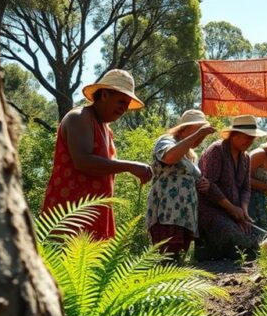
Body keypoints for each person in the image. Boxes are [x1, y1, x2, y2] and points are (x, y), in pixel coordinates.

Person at [43, 69, 153, 240]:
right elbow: (83, 161)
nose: (124, 108)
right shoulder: (79, 118)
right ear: (104, 95)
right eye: (121, 101)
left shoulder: (106, 129)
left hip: (94, 213)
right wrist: (131, 166)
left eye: (127, 104)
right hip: (69, 214)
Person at [146, 110, 216, 262]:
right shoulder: (167, 140)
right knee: (166, 254)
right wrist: (196, 136)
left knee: (178, 256)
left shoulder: (190, 154)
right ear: (184, 129)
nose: (200, 137)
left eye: (203, 135)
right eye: (197, 131)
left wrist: (203, 184)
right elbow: (169, 157)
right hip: (167, 210)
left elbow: (190, 177)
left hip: (184, 213)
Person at [196, 115, 267, 260]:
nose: (249, 141)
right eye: (245, 136)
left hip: (234, 213)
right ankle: (208, 253)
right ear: (233, 135)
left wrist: (244, 212)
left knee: (254, 235)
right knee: (233, 236)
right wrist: (231, 208)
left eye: (252, 137)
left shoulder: (246, 157)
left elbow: (246, 188)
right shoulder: (217, 150)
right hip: (212, 210)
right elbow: (209, 185)